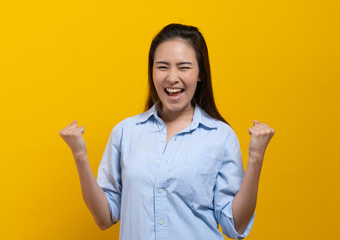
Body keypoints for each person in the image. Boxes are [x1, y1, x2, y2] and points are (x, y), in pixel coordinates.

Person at [59, 23, 274, 240]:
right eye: (162, 67)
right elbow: (104, 218)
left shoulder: (221, 136)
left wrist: (256, 158)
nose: (172, 77)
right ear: (152, 71)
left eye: (184, 67)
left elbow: (235, 225)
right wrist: (80, 156)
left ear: (200, 74)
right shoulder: (125, 132)